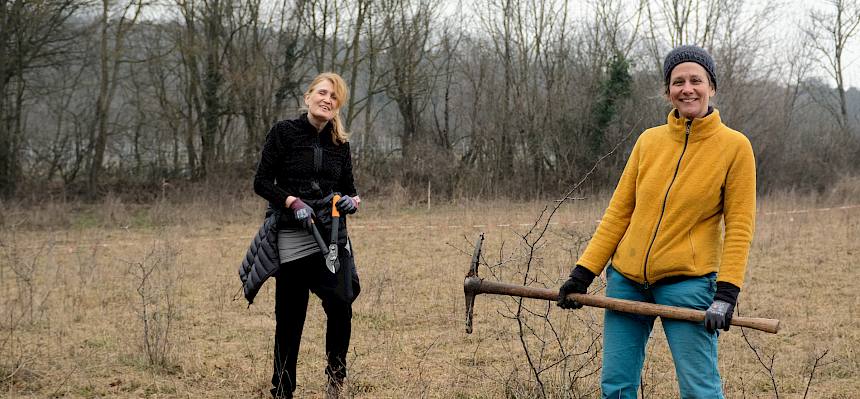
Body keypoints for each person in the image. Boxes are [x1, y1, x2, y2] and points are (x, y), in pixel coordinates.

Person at [557, 45, 756, 398]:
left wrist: (726, 294)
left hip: (688, 285)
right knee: (616, 387)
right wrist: (582, 274)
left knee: (699, 390)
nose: (687, 88)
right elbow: (619, 213)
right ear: (668, 91)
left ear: (712, 86)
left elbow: (739, 226)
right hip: (626, 281)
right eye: (678, 81)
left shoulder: (734, 147)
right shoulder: (649, 142)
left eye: (696, 79)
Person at [253, 72, 362, 399]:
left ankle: (335, 380)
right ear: (309, 96)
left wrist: (351, 202)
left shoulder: (339, 144)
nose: (328, 100)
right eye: (323, 93)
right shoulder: (283, 133)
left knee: (341, 305)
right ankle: (282, 391)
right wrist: (290, 200)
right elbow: (261, 183)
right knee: (290, 316)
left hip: (330, 235)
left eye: (335, 97)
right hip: (292, 233)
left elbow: (351, 191)